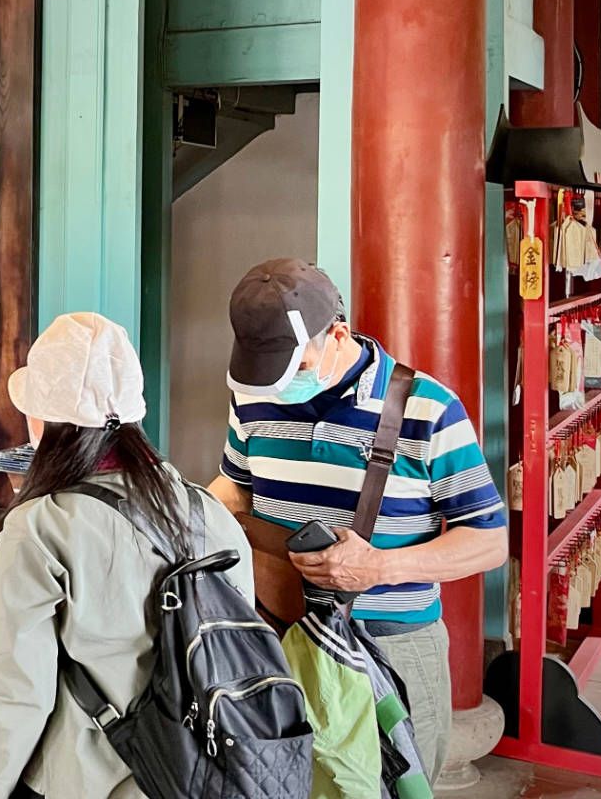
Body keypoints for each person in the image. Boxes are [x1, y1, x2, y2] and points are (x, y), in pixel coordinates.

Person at [207, 258, 507, 784]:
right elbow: (234, 488)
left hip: (392, 644)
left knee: (396, 786)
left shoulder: (429, 409)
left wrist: (380, 567)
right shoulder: (253, 399)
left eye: (293, 370)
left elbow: (488, 542)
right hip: (276, 632)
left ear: (338, 336)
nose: (277, 388)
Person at [0, 313, 254, 799]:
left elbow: (16, 693)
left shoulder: (40, 528)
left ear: (47, 420)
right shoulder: (208, 511)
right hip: (202, 774)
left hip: (86, 782)